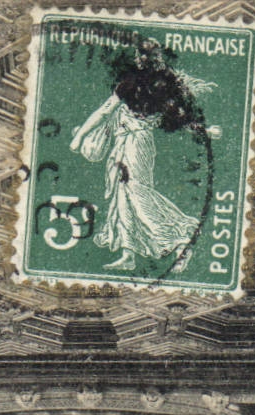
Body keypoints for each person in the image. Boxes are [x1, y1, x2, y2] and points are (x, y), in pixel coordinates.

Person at [68, 40, 218, 272]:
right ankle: (128, 254)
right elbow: (181, 117)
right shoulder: (158, 82)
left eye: (144, 56)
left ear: (141, 58)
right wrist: (204, 131)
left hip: (136, 144)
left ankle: (182, 238)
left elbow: (106, 111)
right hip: (129, 143)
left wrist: (79, 137)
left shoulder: (149, 83)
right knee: (122, 197)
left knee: (137, 195)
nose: (143, 60)